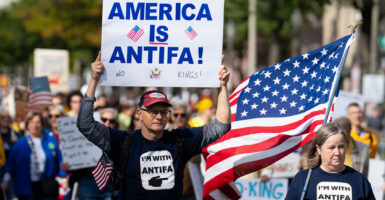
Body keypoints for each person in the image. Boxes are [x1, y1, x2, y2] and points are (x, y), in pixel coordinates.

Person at [77, 52, 231, 199]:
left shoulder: (181, 140)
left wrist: (222, 86)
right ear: (139, 114)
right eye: (152, 111)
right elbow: (85, 125)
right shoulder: (123, 141)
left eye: (164, 112)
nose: (159, 116)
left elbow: (221, 127)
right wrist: (94, 80)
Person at [285, 123, 375, 200]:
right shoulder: (303, 179)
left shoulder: (360, 180)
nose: (337, 153)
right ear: (318, 149)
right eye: (331, 148)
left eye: (341, 147)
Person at [1, 110, 65, 200]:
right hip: (26, 188)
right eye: (31, 122)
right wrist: (5, 181)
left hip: (47, 187)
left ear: (42, 124)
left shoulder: (50, 140)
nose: (34, 125)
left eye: (38, 122)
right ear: (27, 124)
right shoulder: (20, 143)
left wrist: (64, 178)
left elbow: (60, 160)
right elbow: (10, 164)